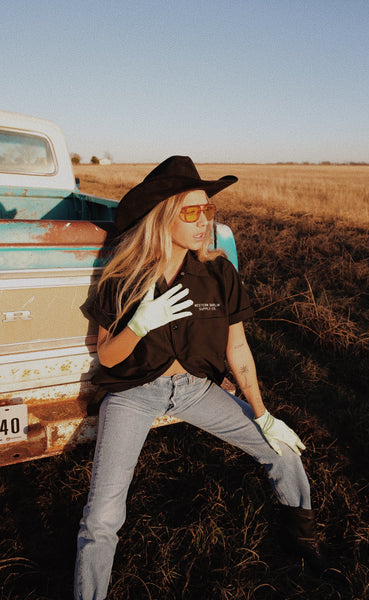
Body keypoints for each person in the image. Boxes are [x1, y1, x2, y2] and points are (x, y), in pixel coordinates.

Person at [74, 156, 331, 600]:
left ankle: (303, 539)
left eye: (208, 209)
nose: (204, 221)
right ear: (163, 217)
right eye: (190, 212)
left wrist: (263, 414)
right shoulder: (125, 276)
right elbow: (109, 358)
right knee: (102, 516)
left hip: (194, 390)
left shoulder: (217, 273)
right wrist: (138, 324)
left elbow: (238, 349)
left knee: (284, 450)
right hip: (132, 393)